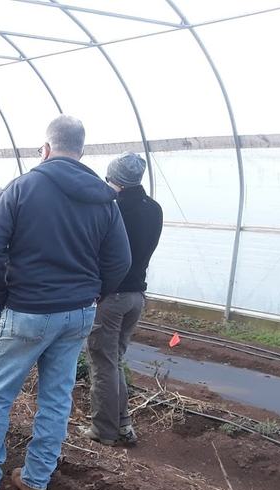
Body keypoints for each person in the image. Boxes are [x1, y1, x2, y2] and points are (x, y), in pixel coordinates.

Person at [0, 115, 131, 490]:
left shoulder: (21, 188)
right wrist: (95, 293)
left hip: (28, 309)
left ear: (46, 148)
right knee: (56, 398)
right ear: (82, 150)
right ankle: (35, 479)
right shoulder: (103, 197)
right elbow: (121, 259)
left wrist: (0, 298)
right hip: (78, 312)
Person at [84, 152, 163, 447]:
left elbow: (102, 252)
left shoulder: (112, 209)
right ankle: (124, 425)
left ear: (115, 180)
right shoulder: (154, 209)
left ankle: (103, 430)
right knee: (114, 360)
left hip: (112, 296)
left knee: (102, 362)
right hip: (136, 296)